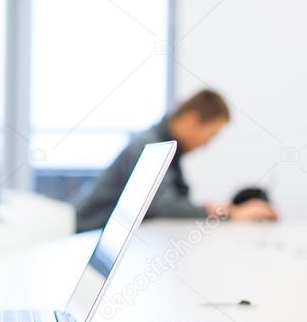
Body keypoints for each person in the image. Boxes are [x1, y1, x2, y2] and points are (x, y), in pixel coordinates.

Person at [74, 89, 278, 232]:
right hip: (91, 238)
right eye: (210, 136)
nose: (206, 145)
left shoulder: (169, 147)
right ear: (192, 120)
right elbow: (162, 205)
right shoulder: (150, 145)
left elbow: (175, 201)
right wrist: (229, 214)